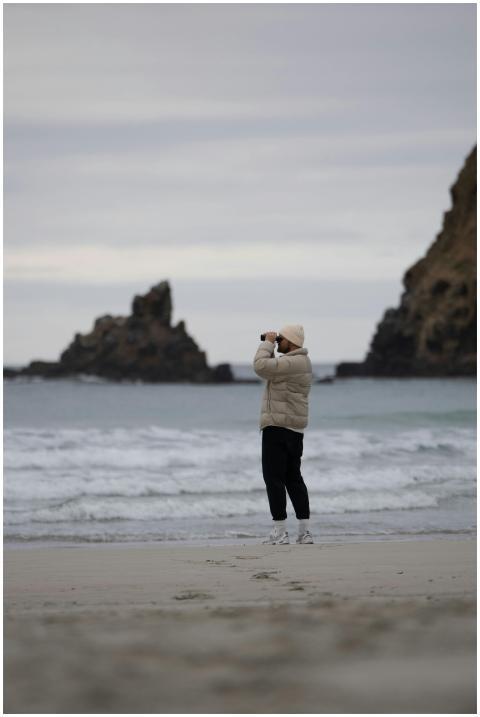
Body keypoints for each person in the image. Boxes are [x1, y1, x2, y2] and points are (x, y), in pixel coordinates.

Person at [253, 325, 314, 545]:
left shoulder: (291, 362)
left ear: (292, 341)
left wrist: (267, 342)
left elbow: (260, 367)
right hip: (295, 430)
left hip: (277, 427)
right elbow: (271, 370)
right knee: (293, 478)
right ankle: (304, 532)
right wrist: (271, 346)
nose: (279, 342)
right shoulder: (301, 363)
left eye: (281, 339)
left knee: (273, 478)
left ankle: (280, 531)